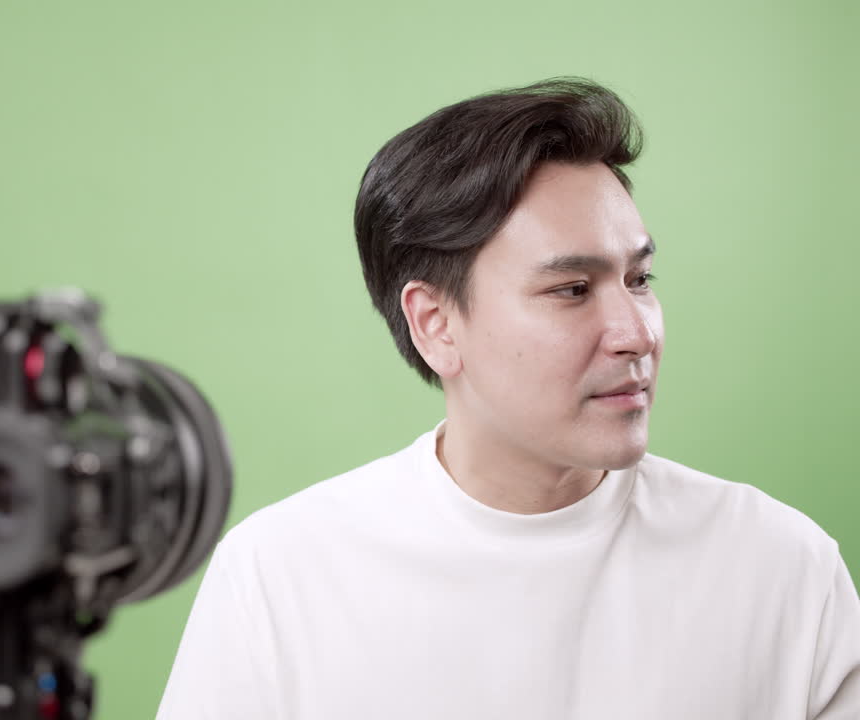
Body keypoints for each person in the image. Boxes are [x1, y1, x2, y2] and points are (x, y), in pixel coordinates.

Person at [155, 77, 860, 719]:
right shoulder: (282, 577)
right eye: (572, 290)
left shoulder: (780, 567)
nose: (635, 332)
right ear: (435, 324)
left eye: (640, 280)